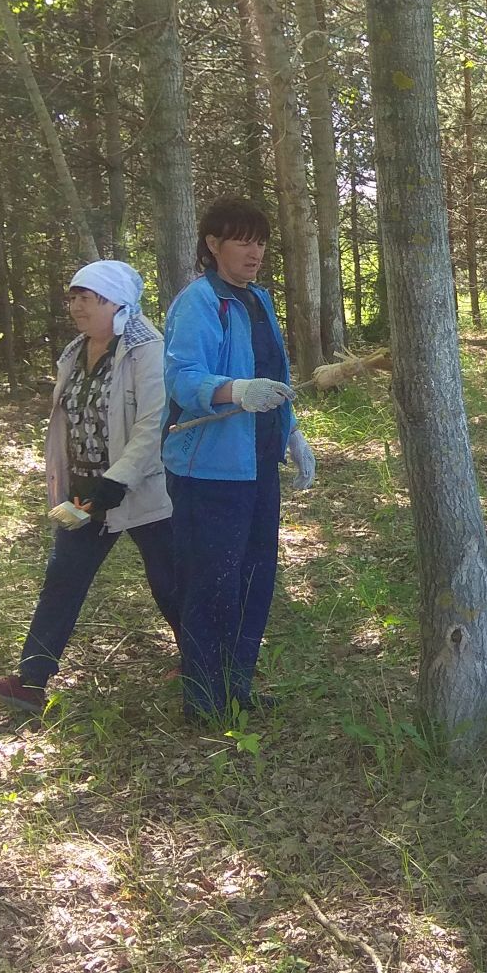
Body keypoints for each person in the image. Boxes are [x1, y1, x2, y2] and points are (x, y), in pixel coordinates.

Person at [0, 261, 180, 711]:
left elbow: (154, 424)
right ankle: (31, 680)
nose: (74, 307)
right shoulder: (74, 352)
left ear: (115, 303)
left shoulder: (148, 351)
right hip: (85, 494)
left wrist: (119, 479)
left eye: (84, 298)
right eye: (71, 298)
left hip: (143, 489)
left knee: (169, 580)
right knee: (63, 578)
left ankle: (203, 662)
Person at [163, 198, 317, 719]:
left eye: (260, 241)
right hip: (210, 472)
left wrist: (292, 433)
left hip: (259, 464)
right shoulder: (200, 303)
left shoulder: (259, 301)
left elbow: (276, 379)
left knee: (255, 578)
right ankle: (204, 701)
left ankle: (239, 685)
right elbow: (182, 379)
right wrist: (235, 390)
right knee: (212, 583)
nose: (255, 252)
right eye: (243, 241)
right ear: (213, 244)